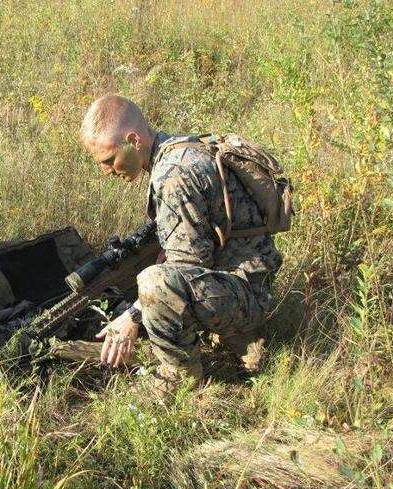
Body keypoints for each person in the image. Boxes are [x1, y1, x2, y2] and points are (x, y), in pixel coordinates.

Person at [79, 94, 283, 394]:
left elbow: (186, 265)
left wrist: (132, 318)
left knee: (153, 282)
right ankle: (239, 339)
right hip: (246, 279)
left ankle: (180, 379)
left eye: (110, 160)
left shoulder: (173, 174)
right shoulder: (179, 147)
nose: (106, 171)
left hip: (248, 293)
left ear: (134, 140)